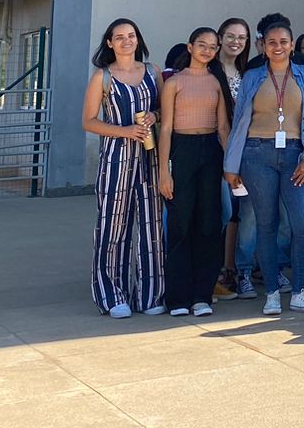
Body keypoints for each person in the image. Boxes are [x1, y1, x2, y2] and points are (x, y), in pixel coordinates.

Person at [222, 14, 304, 316]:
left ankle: (299, 292)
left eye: (283, 41)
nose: (277, 46)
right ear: (263, 46)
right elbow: (240, 123)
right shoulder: (253, 76)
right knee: (265, 224)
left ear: (292, 45)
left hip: (295, 155)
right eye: (271, 42)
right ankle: (270, 293)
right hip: (257, 154)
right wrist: (232, 164)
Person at [83, 17, 165, 317]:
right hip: (116, 159)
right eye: (119, 37)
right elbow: (88, 121)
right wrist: (125, 131)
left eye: (131, 35)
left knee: (151, 226)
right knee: (113, 226)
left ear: (137, 39)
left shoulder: (152, 71)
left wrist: (155, 115)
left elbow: (164, 107)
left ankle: (150, 295)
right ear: (110, 43)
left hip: (150, 158)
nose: (126, 41)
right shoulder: (102, 77)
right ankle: (111, 294)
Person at [158, 27, 231, 316]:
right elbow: (165, 128)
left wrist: (231, 166)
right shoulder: (174, 82)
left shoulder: (216, 81)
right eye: (202, 45)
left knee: (209, 223)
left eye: (213, 47)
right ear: (190, 47)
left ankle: (202, 295)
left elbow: (223, 127)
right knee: (180, 222)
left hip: (211, 151)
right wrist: (164, 171)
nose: (207, 50)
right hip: (182, 150)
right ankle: (178, 297)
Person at [213, 17, 253, 299]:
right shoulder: (209, 70)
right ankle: (210, 272)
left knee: (236, 212)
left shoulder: (246, 73)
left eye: (241, 37)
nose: (235, 41)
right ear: (220, 37)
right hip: (215, 151)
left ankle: (229, 271)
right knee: (220, 212)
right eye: (230, 36)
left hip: (243, 152)